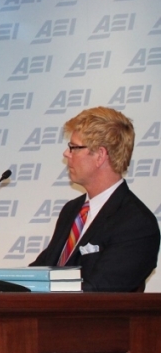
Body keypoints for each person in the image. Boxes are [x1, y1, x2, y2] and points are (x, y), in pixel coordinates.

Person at [30, 107, 160, 292]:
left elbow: (100, 291)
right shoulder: (72, 210)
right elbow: (43, 268)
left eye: (74, 147)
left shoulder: (136, 223)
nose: (66, 154)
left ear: (100, 155)